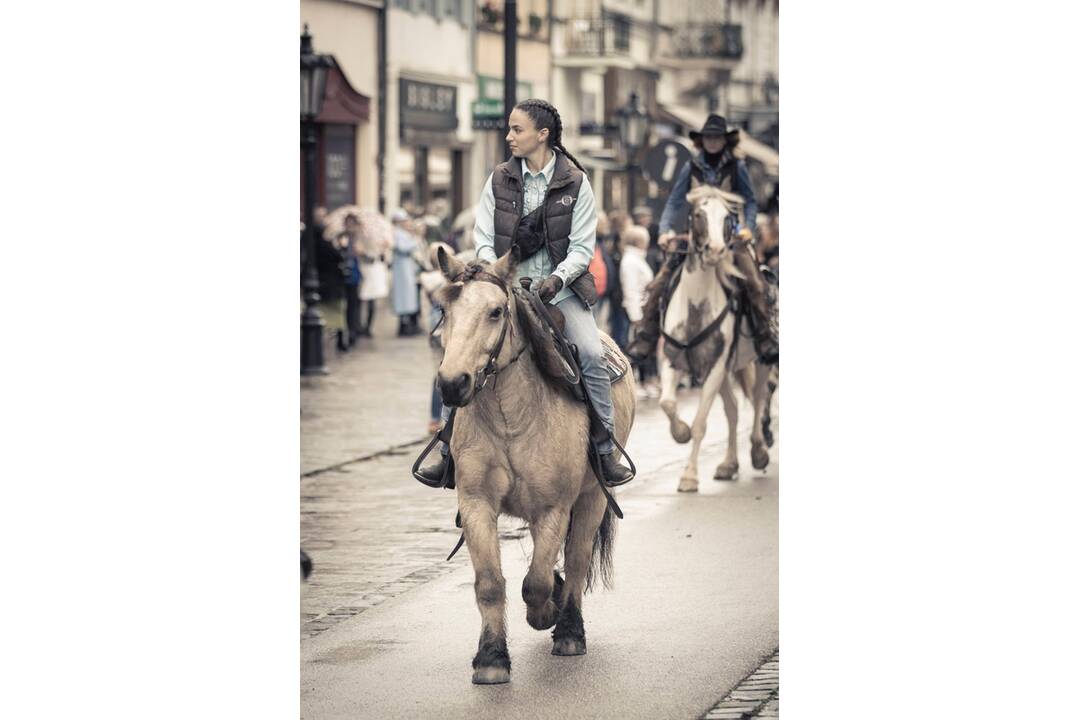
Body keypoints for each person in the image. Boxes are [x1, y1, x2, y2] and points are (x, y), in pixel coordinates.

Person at [417, 97, 633, 487]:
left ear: (542, 134)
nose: (509, 136)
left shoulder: (576, 182)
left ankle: (604, 448)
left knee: (588, 352)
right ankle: (447, 449)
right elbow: (483, 237)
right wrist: (493, 273)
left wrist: (557, 279)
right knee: (460, 351)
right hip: (504, 288)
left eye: (517, 129)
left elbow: (583, 248)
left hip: (560, 291)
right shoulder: (499, 178)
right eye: (510, 129)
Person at [626, 114, 778, 364]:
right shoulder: (691, 166)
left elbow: (750, 201)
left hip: (731, 238)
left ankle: (764, 336)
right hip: (696, 236)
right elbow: (675, 201)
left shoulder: (737, 167)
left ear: (724, 140)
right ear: (702, 140)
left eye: (717, 137)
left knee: (754, 280)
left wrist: (748, 228)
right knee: (661, 280)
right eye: (708, 137)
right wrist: (665, 230)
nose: (713, 142)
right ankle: (647, 335)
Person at [357, 211, 391, 337]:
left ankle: (367, 326)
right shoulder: (360, 236)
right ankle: (360, 326)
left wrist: (382, 249)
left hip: (375, 270)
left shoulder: (379, 237)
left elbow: (383, 254)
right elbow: (359, 252)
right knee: (363, 297)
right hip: (364, 270)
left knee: (372, 299)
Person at [390, 209, 422, 337]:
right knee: (403, 297)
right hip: (402, 269)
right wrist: (415, 241)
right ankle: (404, 326)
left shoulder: (402, 233)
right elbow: (403, 248)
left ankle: (407, 325)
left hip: (406, 268)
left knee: (407, 296)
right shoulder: (397, 234)